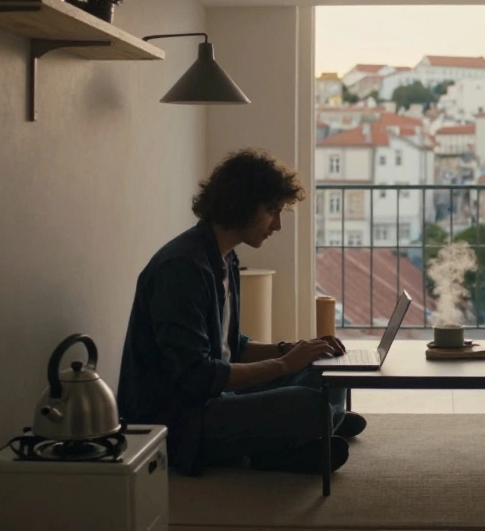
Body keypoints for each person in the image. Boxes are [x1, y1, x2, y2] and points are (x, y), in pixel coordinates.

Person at [117, 148, 366, 476]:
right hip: (182, 419)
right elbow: (197, 375)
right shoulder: (181, 269)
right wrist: (283, 365)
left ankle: (302, 431)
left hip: (218, 397)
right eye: (272, 211)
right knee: (308, 403)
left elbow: (233, 347)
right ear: (242, 206)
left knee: (327, 371)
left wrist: (290, 350)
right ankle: (303, 431)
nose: (276, 225)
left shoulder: (224, 257)